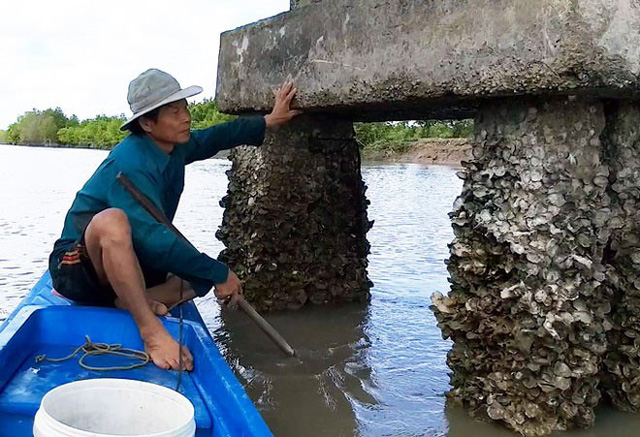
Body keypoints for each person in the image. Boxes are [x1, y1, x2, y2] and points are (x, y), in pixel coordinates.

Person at [48, 68, 301, 370]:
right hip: (79, 267)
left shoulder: (173, 147)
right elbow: (153, 240)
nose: (186, 117)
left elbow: (214, 137)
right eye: (174, 111)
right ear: (147, 123)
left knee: (195, 273)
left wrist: (268, 121)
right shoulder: (129, 162)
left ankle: (128, 299)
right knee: (113, 222)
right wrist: (220, 272)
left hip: (133, 258)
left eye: (185, 108)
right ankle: (150, 331)